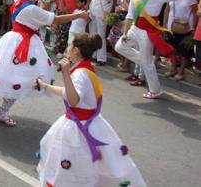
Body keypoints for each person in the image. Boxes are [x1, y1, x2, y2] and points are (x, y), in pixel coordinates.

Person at [36, 34, 146, 187]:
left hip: (77, 128)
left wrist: (66, 74)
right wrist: (45, 86)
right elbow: (69, 92)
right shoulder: (85, 67)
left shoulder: (79, 73)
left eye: (70, 46)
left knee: (73, 166)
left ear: (76, 50)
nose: (68, 48)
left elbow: (73, 100)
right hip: (91, 124)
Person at [0, 0, 87, 126]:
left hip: (13, 40)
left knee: (15, 76)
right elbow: (56, 20)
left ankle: (3, 109)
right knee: (20, 77)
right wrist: (78, 15)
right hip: (24, 44)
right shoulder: (32, 9)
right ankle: (3, 110)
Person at [115, 0, 186, 99]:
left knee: (147, 62)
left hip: (148, 33)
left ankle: (155, 90)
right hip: (134, 28)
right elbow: (130, 16)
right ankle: (145, 62)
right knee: (119, 47)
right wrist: (125, 33)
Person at [163, 0, 197, 81]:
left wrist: (193, 28)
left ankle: (181, 71)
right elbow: (167, 10)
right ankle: (173, 68)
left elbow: (194, 12)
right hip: (171, 26)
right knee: (171, 49)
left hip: (185, 27)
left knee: (184, 51)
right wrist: (164, 26)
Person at [88, 0, 118, 65]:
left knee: (101, 35)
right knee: (93, 34)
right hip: (92, 11)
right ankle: (93, 55)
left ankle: (101, 58)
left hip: (103, 13)